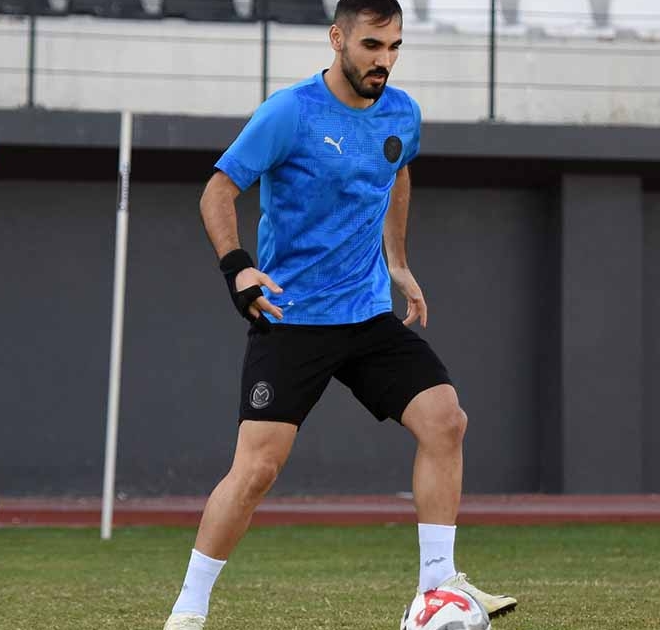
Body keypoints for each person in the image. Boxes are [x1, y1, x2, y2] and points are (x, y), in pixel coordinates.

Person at [161, 1, 516, 628]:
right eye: (372, 45)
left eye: (395, 47)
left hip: (366, 314)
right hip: (292, 317)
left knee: (445, 420)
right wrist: (238, 268)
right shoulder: (289, 112)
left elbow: (396, 173)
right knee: (256, 470)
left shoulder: (403, 112)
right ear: (337, 39)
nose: (384, 60)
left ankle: (437, 586)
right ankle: (189, 611)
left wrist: (397, 263)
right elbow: (218, 191)